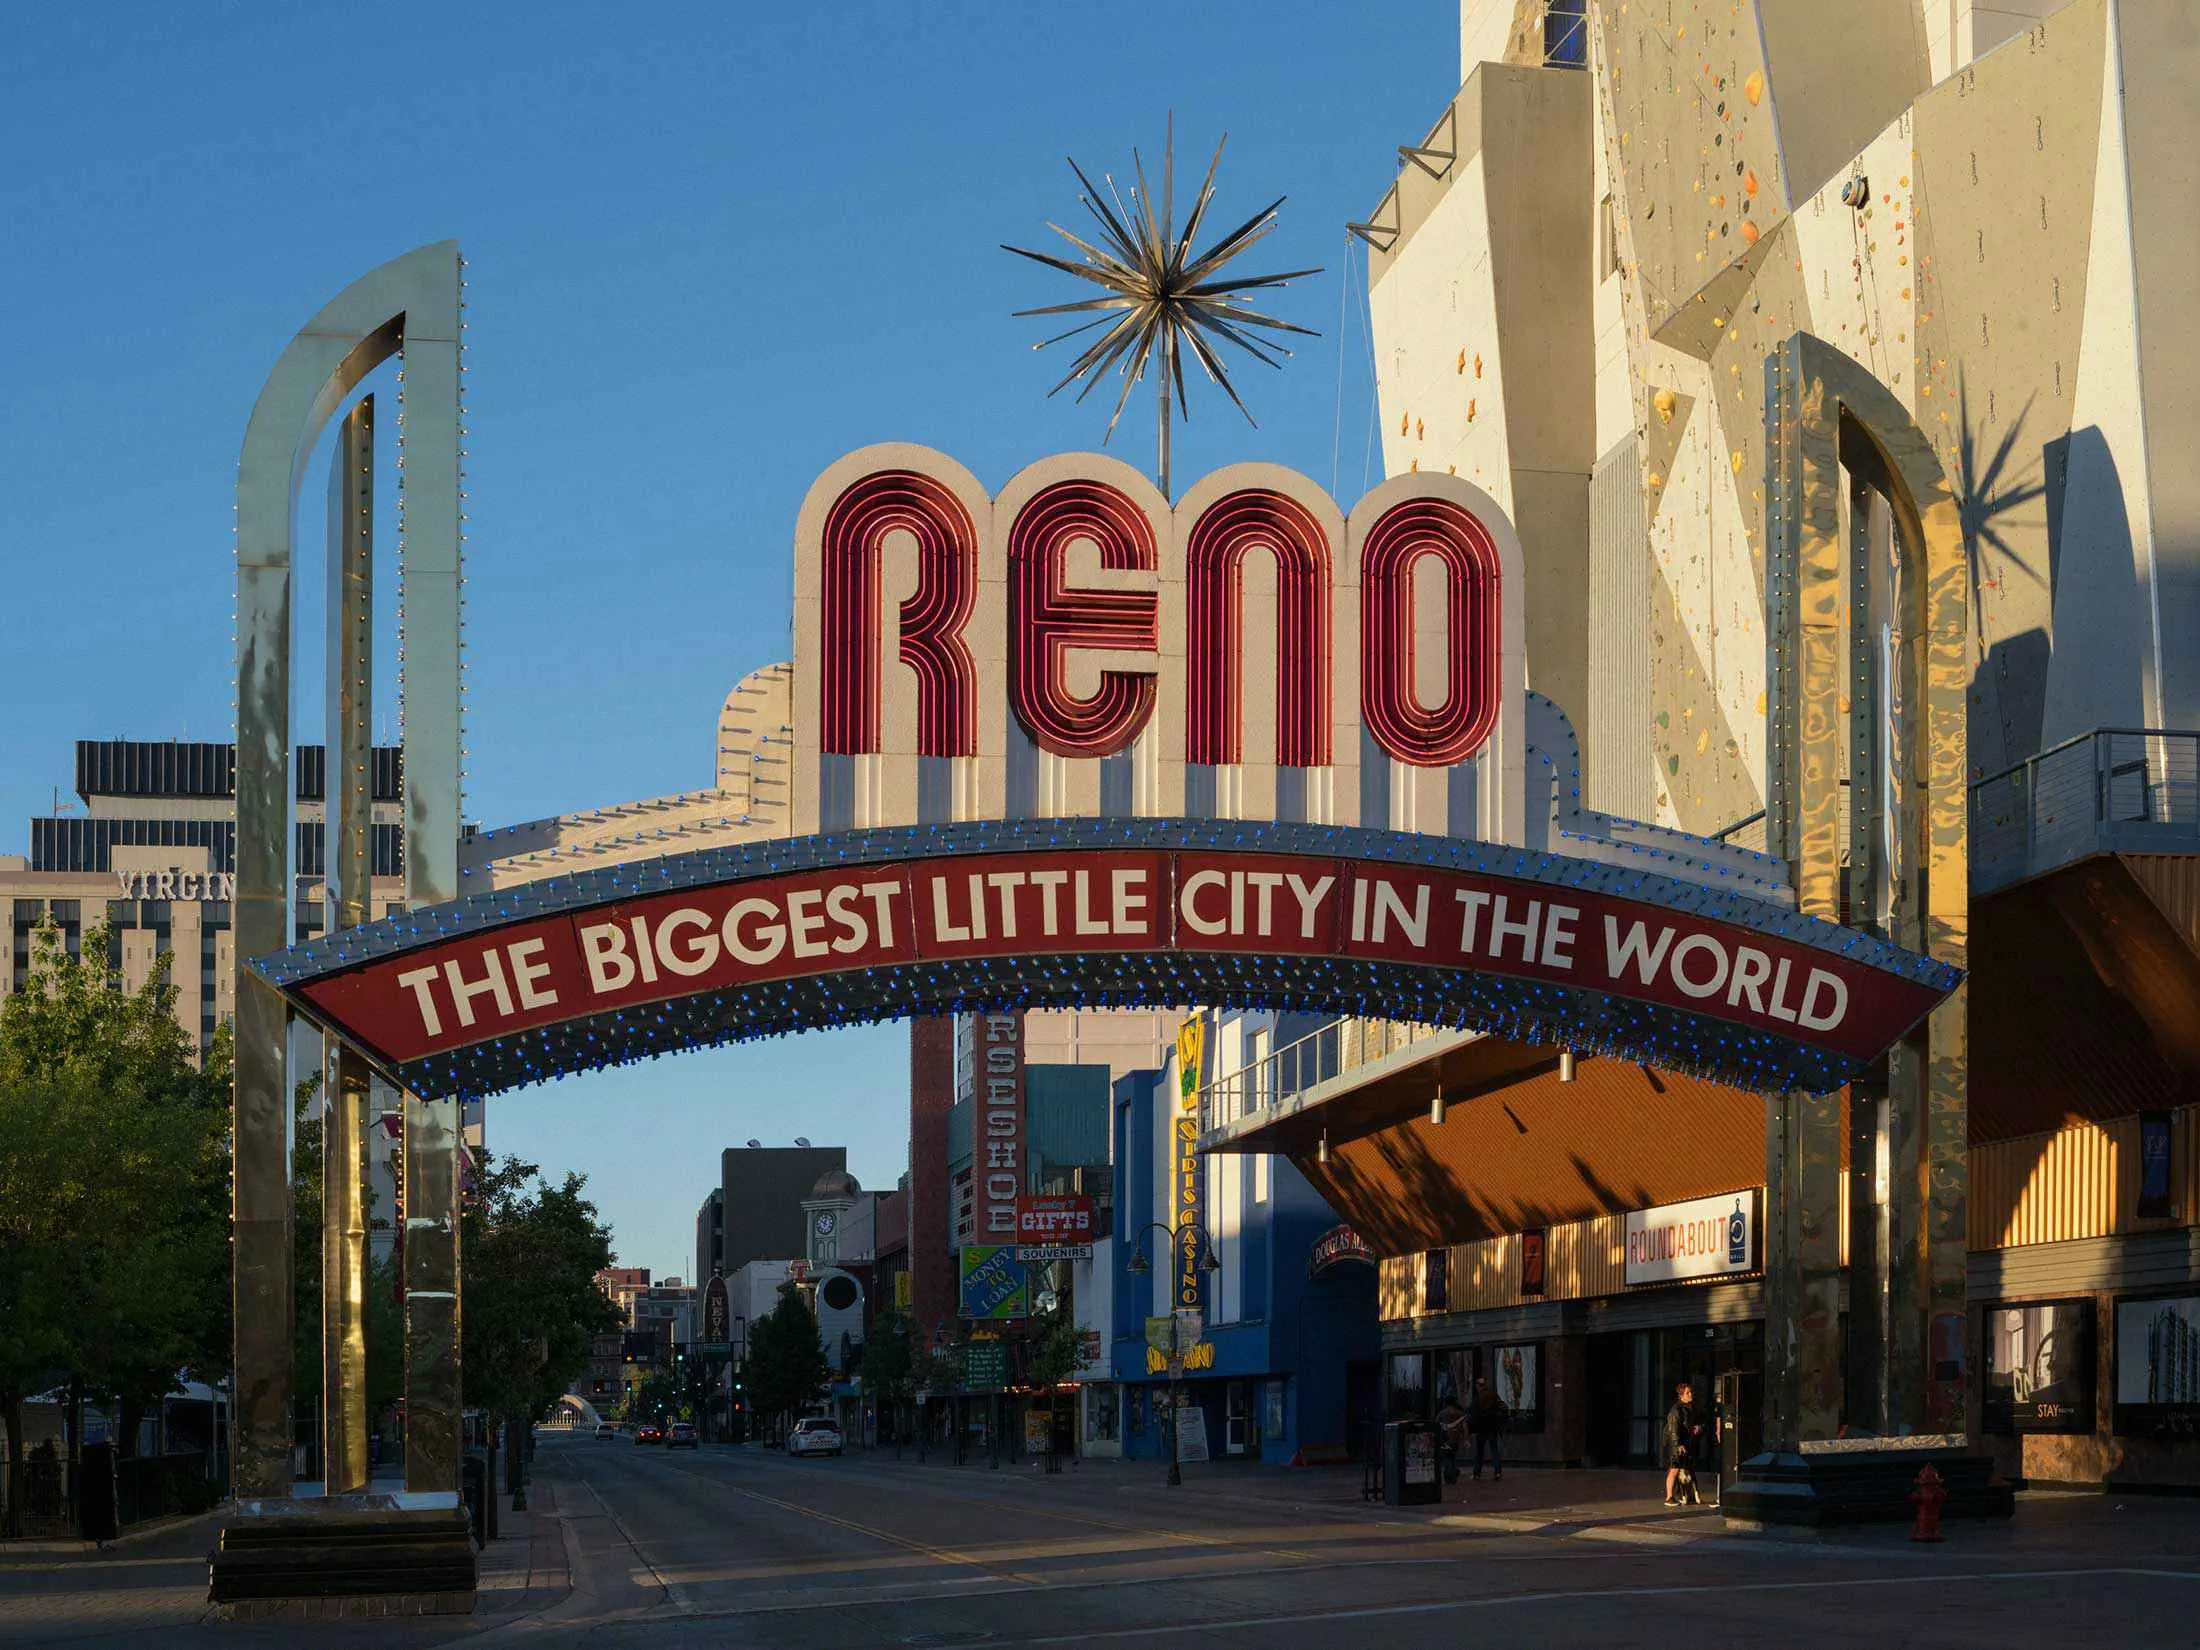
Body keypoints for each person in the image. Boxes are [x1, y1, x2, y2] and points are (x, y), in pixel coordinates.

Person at [1662, 1380, 1712, 1507]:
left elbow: (1703, 1421)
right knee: (1674, 1469)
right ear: (1681, 1395)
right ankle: (1669, 1497)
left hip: (1688, 1442)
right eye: (1687, 1393)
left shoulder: (1693, 1408)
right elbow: (1673, 1430)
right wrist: (1677, 1444)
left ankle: (1688, 1496)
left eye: (1691, 1392)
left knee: (1688, 1468)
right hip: (1676, 1444)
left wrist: (1700, 1428)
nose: (1690, 1395)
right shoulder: (1676, 1410)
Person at [1466, 1375, 1506, 1481]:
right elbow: (1502, 1407)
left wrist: (1471, 1427)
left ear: (1478, 1386)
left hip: (1481, 1427)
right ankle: (1497, 1471)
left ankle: (1477, 1473)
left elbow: (1472, 1412)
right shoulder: (1492, 1395)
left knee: (1480, 1451)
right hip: (1492, 1426)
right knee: (1494, 1449)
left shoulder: (1478, 1398)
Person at [1435, 1394, 1467, 1485]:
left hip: (1446, 1439)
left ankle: (1450, 1475)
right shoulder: (1460, 1413)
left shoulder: (1443, 1413)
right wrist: (1465, 1439)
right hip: (1456, 1439)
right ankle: (1453, 1473)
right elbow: (1464, 1427)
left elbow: (1436, 1423)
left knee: (1446, 1458)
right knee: (1452, 1456)